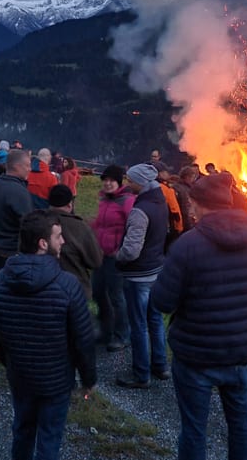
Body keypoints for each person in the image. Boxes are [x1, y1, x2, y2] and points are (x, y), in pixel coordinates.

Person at [152, 173, 247, 460]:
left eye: (192, 203)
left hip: (195, 356)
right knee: (240, 427)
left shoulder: (188, 245)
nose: (190, 209)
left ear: (199, 204)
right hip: (240, 353)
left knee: (194, 430)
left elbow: (162, 302)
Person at [0, 210, 96, 460]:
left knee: (22, 429)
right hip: (56, 380)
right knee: (48, 439)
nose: (64, 242)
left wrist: (11, 362)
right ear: (43, 244)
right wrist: (88, 379)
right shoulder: (67, 285)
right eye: (59, 236)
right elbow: (83, 339)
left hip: (20, 376)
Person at [115, 163, 169, 389]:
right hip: (156, 271)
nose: (128, 184)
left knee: (138, 326)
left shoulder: (140, 210)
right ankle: (161, 366)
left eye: (131, 180)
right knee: (155, 321)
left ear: (141, 182)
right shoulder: (161, 202)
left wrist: (117, 256)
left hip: (138, 276)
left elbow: (132, 250)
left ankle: (141, 374)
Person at [91, 165, 135, 352]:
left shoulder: (126, 201)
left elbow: (133, 228)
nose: (107, 183)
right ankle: (105, 331)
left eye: (111, 180)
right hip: (99, 255)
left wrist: (121, 251)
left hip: (115, 258)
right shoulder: (104, 200)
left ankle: (122, 335)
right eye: (105, 180)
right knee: (98, 292)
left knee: (117, 296)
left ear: (119, 181)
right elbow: (99, 225)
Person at [0, 149, 34, 277]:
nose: (30, 169)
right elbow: (28, 225)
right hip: (11, 252)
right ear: (16, 166)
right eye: (27, 165)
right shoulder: (19, 192)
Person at [47, 184, 103, 299]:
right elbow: (95, 261)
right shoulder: (80, 227)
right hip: (74, 290)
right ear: (70, 204)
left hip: (42, 288)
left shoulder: (36, 221)